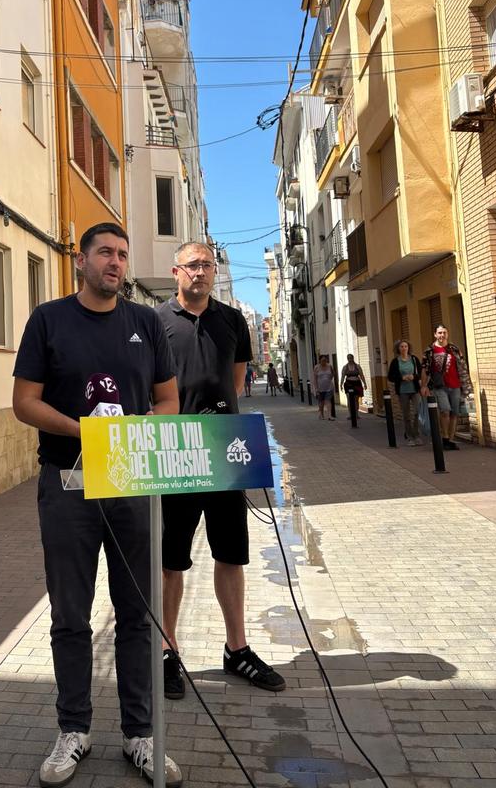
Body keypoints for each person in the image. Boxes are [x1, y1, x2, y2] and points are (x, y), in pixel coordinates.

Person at [12, 223, 183, 788]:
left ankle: (140, 734)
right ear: (80, 260)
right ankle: (73, 731)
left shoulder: (146, 323)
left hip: (133, 483)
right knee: (69, 615)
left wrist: (132, 436)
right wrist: (85, 433)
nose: (115, 262)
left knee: (137, 613)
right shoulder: (48, 320)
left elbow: (167, 401)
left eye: (123, 255)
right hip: (67, 486)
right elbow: (24, 403)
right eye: (105, 253)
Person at [156, 242, 286, 701]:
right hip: (176, 451)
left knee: (231, 554)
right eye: (193, 265)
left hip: (225, 447)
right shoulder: (156, 320)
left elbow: (235, 382)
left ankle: (237, 649)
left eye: (208, 265)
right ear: (176, 272)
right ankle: (167, 652)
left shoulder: (232, 320)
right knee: (171, 558)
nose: (202, 273)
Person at [421, 325, 472, 450]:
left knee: (454, 413)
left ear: (447, 334)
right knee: (445, 411)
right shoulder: (430, 350)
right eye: (439, 333)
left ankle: (451, 439)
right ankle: (444, 438)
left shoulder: (454, 348)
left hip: (455, 386)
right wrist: (423, 386)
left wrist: (466, 386)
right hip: (439, 386)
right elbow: (424, 369)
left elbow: (463, 366)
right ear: (435, 334)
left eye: (444, 333)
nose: (442, 335)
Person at [387, 340, 423, 445]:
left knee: (417, 412)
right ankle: (410, 437)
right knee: (406, 415)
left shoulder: (414, 359)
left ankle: (416, 434)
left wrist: (414, 376)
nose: (404, 348)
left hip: (415, 389)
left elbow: (420, 373)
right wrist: (402, 377)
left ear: (408, 348)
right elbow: (390, 377)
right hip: (403, 391)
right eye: (401, 346)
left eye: (405, 346)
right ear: (398, 349)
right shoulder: (395, 361)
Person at [340, 354, 367, 421]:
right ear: (347, 359)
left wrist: (365, 384)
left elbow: (361, 375)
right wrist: (341, 384)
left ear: (353, 358)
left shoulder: (357, 366)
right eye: (348, 358)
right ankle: (350, 414)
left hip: (357, 383)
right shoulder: (345, 367)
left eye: (351, 358)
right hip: (348, 383)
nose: (350, 359)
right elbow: (343, 376)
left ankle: (356, 414)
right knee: (349, 399)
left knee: (356, 399)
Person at [313, 355, 336, 420]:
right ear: (320, 361)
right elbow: (315, 379)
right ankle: (321, 414)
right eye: (323, 360)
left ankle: (329, 415)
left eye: (325, 360)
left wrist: (329, 380)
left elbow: (333, 374)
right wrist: (316, 388)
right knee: (321, 402)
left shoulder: (329, 366)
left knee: (328, 401)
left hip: (329, 387)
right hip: (320, 388)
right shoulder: (316, 367)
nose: (324, 362)